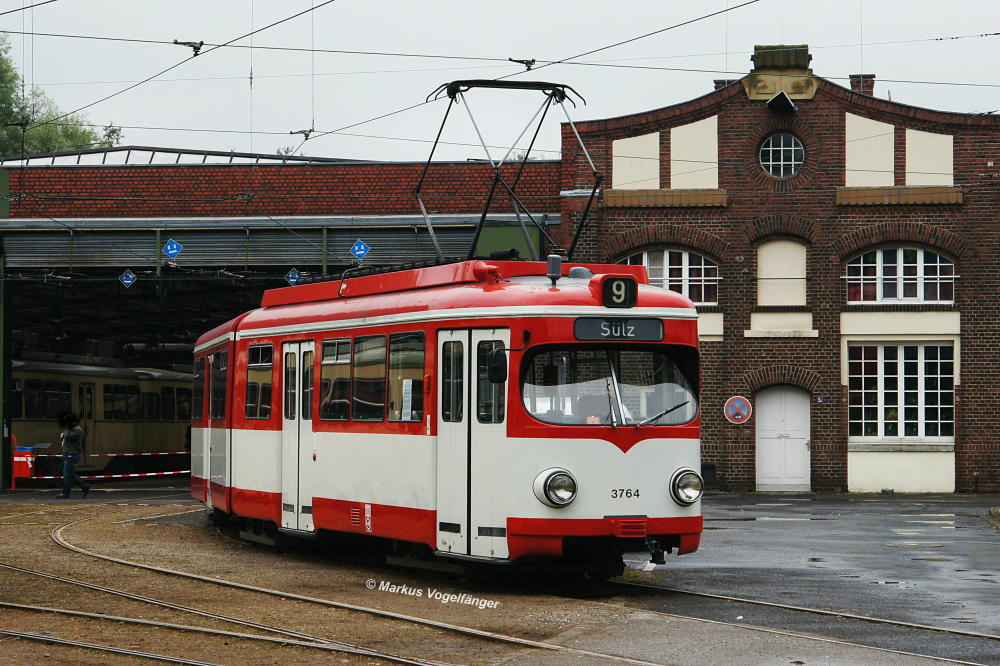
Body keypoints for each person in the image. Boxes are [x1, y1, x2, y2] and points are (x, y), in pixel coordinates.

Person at [56, 413, 90, 499]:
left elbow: (67, 436)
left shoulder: (76, 430)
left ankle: (66, 493)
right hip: (68, 454)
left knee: (67, 474)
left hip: (72, 454)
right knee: (69, 473)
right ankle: (84, 486)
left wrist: (64, 432)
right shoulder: (72, 429)